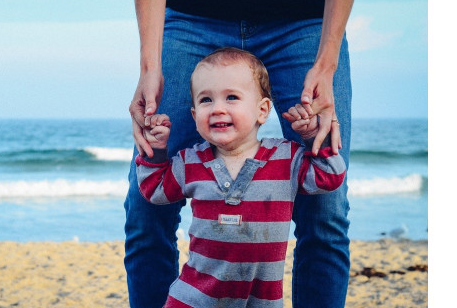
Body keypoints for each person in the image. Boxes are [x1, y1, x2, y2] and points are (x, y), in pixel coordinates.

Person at [125, 0, 362, 307]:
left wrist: (327, 61)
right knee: (145, 209)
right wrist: (150, 66)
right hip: (192, 18)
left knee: (326, 212)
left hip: (304, 22)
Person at [135, 48, 346, 308]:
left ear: (262, 110)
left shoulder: (286, 159)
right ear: (193, 116)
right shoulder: (190, 161)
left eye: (231, 97)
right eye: (205, 100)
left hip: (261, 302)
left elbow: (330, 176)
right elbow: (154, 190)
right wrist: (156, 152)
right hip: (193, 299)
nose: (217, 109)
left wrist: (314, 137)